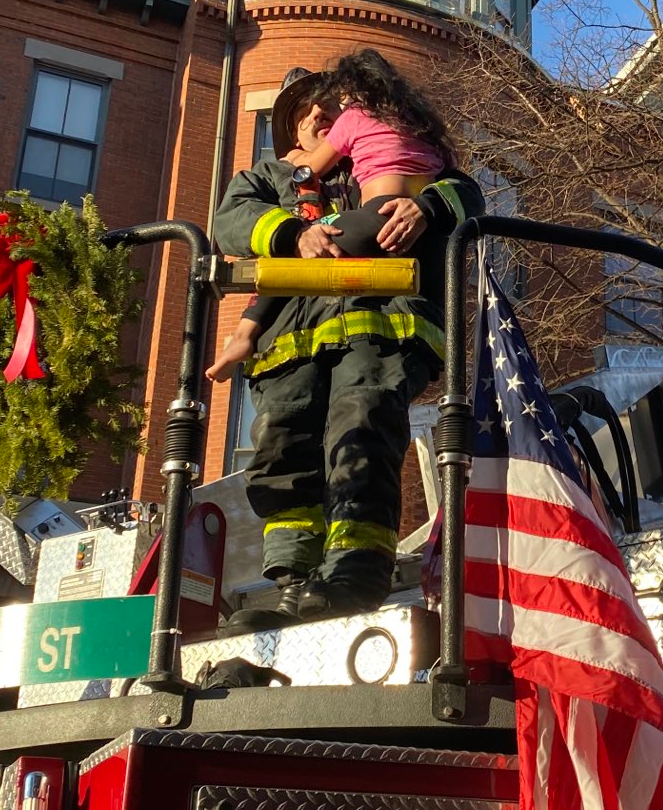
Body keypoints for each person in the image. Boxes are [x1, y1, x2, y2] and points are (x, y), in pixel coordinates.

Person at [209, 65, 484, 637]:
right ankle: (294, 587)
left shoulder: (390, 155)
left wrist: (426, 209)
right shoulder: (267, 179)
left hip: (381, 328)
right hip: (289, 345)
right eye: (302, 112)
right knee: (285, 452)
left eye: (324, 103)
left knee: (360, 430)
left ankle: (355, 575)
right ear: (291, 131)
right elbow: (231, 221)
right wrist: (290, 234)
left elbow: (466, 193)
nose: (316, 114)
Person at [290, 49, 457, 260]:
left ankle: (264, 294)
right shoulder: (420, 125)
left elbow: (313, 167)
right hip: (427, 229)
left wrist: (293, 156)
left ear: (352, 91)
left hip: (377, 216)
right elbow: (449, 167)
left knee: (303, 239)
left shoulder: (354, 117)